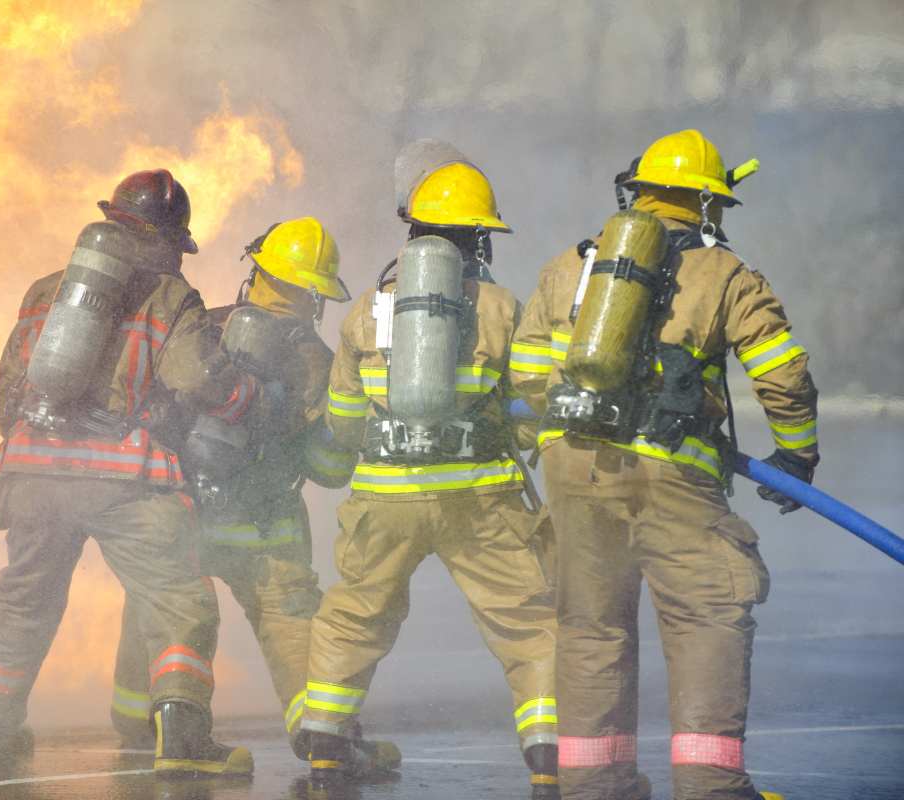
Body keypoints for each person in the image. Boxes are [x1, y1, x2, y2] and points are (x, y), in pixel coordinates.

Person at [510, 129, 814, 800]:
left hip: (574, 470)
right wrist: (796, 454)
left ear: (638, 191)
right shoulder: (725, 273)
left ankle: (595, 786)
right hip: (671, 478)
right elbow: (782, 373)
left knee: (591, 631)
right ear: (704, 205)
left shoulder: (571, 265)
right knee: (705, 619)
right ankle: (710, 788)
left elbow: (528, 373)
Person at [0, 169, 256, 777]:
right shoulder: (173, 299)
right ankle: (183, 740)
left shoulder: (47, 291)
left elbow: (7, 386)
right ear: (166, 239)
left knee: (25, 595)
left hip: (32, 474)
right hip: (127, 479)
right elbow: (194, 378)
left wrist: (34, 455)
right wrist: (244, 399)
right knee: (179, 597)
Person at [302, 146, 560, 798]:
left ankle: (327, 744)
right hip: (481, 496)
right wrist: (532, 441)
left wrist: (340, 457)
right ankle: (549, 755)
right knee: (528, 623)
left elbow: (343, 417)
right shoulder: (501, 307)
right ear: (477, 237)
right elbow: (531, 398)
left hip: (386, 495)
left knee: (356, 613)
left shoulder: (366, 309)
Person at [110, 217, 400, 768]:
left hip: (183, 509)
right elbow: (329, 467)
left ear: (257, 270)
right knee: (288, 616)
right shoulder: (315, 357)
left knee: (159, 602)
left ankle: (136, 718)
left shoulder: (205, 327)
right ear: (314, 295)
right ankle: (325, 738)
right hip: (266, 528)